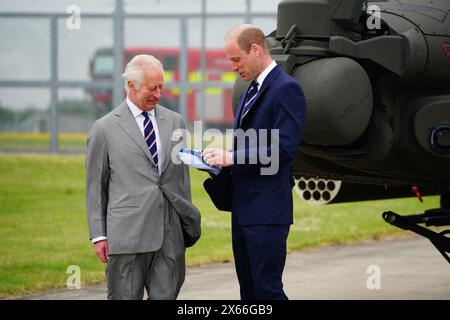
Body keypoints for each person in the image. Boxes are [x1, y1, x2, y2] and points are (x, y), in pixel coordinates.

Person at [202, 24, 307, 300]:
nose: (233, 67)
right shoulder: (251, 89)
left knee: (267, 291)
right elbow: (253, 145)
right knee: (248, 292)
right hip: (245, 209)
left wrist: (233, 158)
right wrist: (220, 160)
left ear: (256, 49)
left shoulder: (287, 89)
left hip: (267, 211)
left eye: (236, 59)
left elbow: (283, 148)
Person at [86, 54, 201, 300]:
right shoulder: (104, 129)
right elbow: (96, 187)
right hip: (127, 235)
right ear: (131, 86)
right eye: (152, 88)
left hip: (168, 235)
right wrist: (99, 235)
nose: (159, 94)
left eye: (161, 87)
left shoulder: (175, 122)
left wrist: (183, 224)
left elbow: (180, 180)